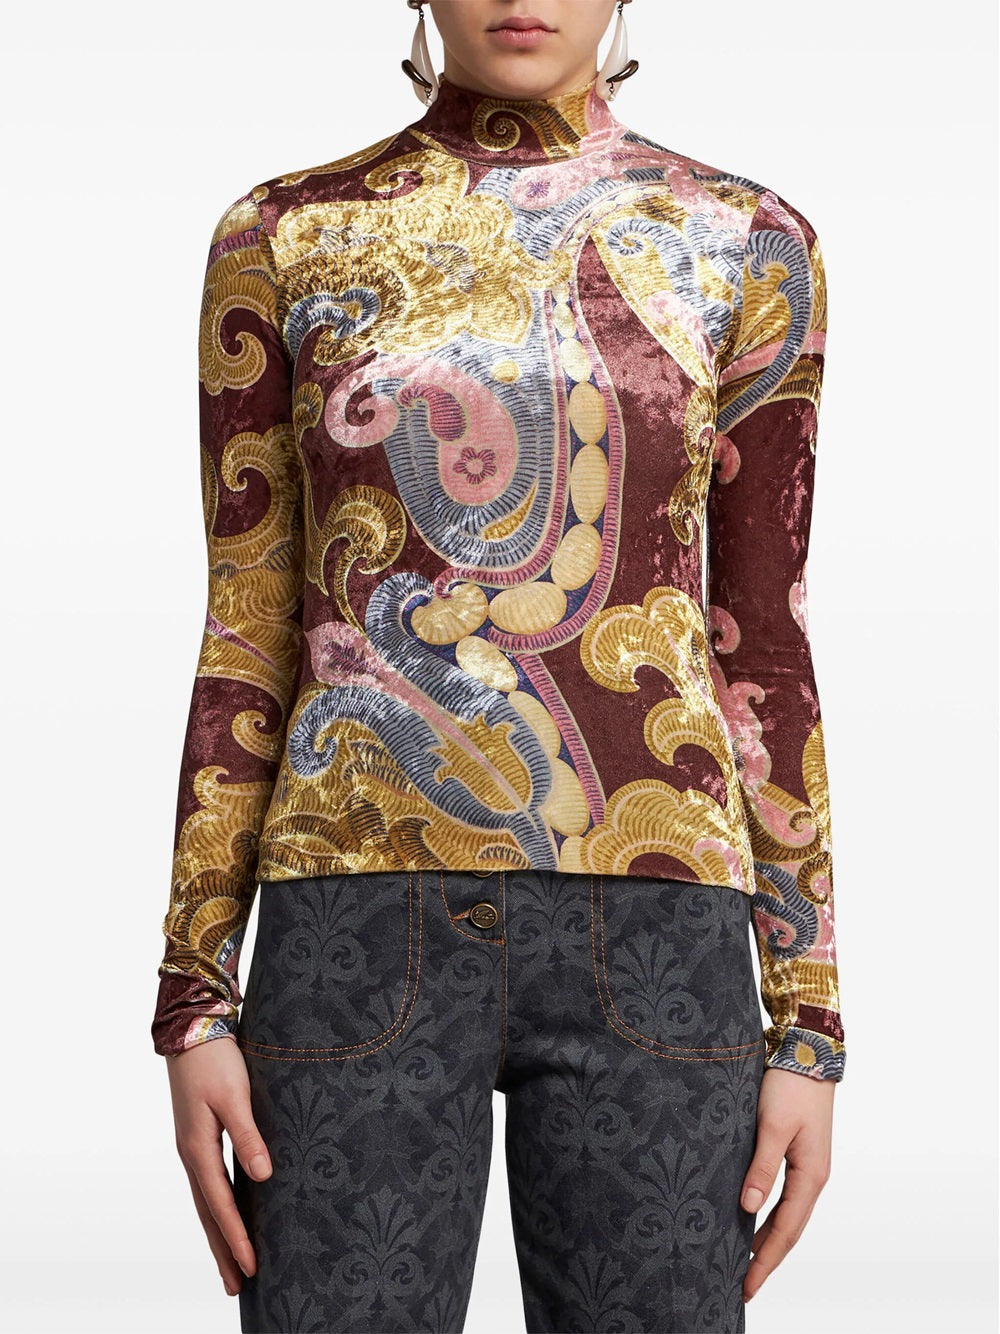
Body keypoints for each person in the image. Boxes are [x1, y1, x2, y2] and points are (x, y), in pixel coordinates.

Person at [151, 3, 847, 1330]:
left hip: (661, 932)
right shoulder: (284, 237)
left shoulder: (750, 243)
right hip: (351, 926)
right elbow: (247, 621)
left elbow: (762, 633)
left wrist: (810, 1017)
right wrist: (194, 997)